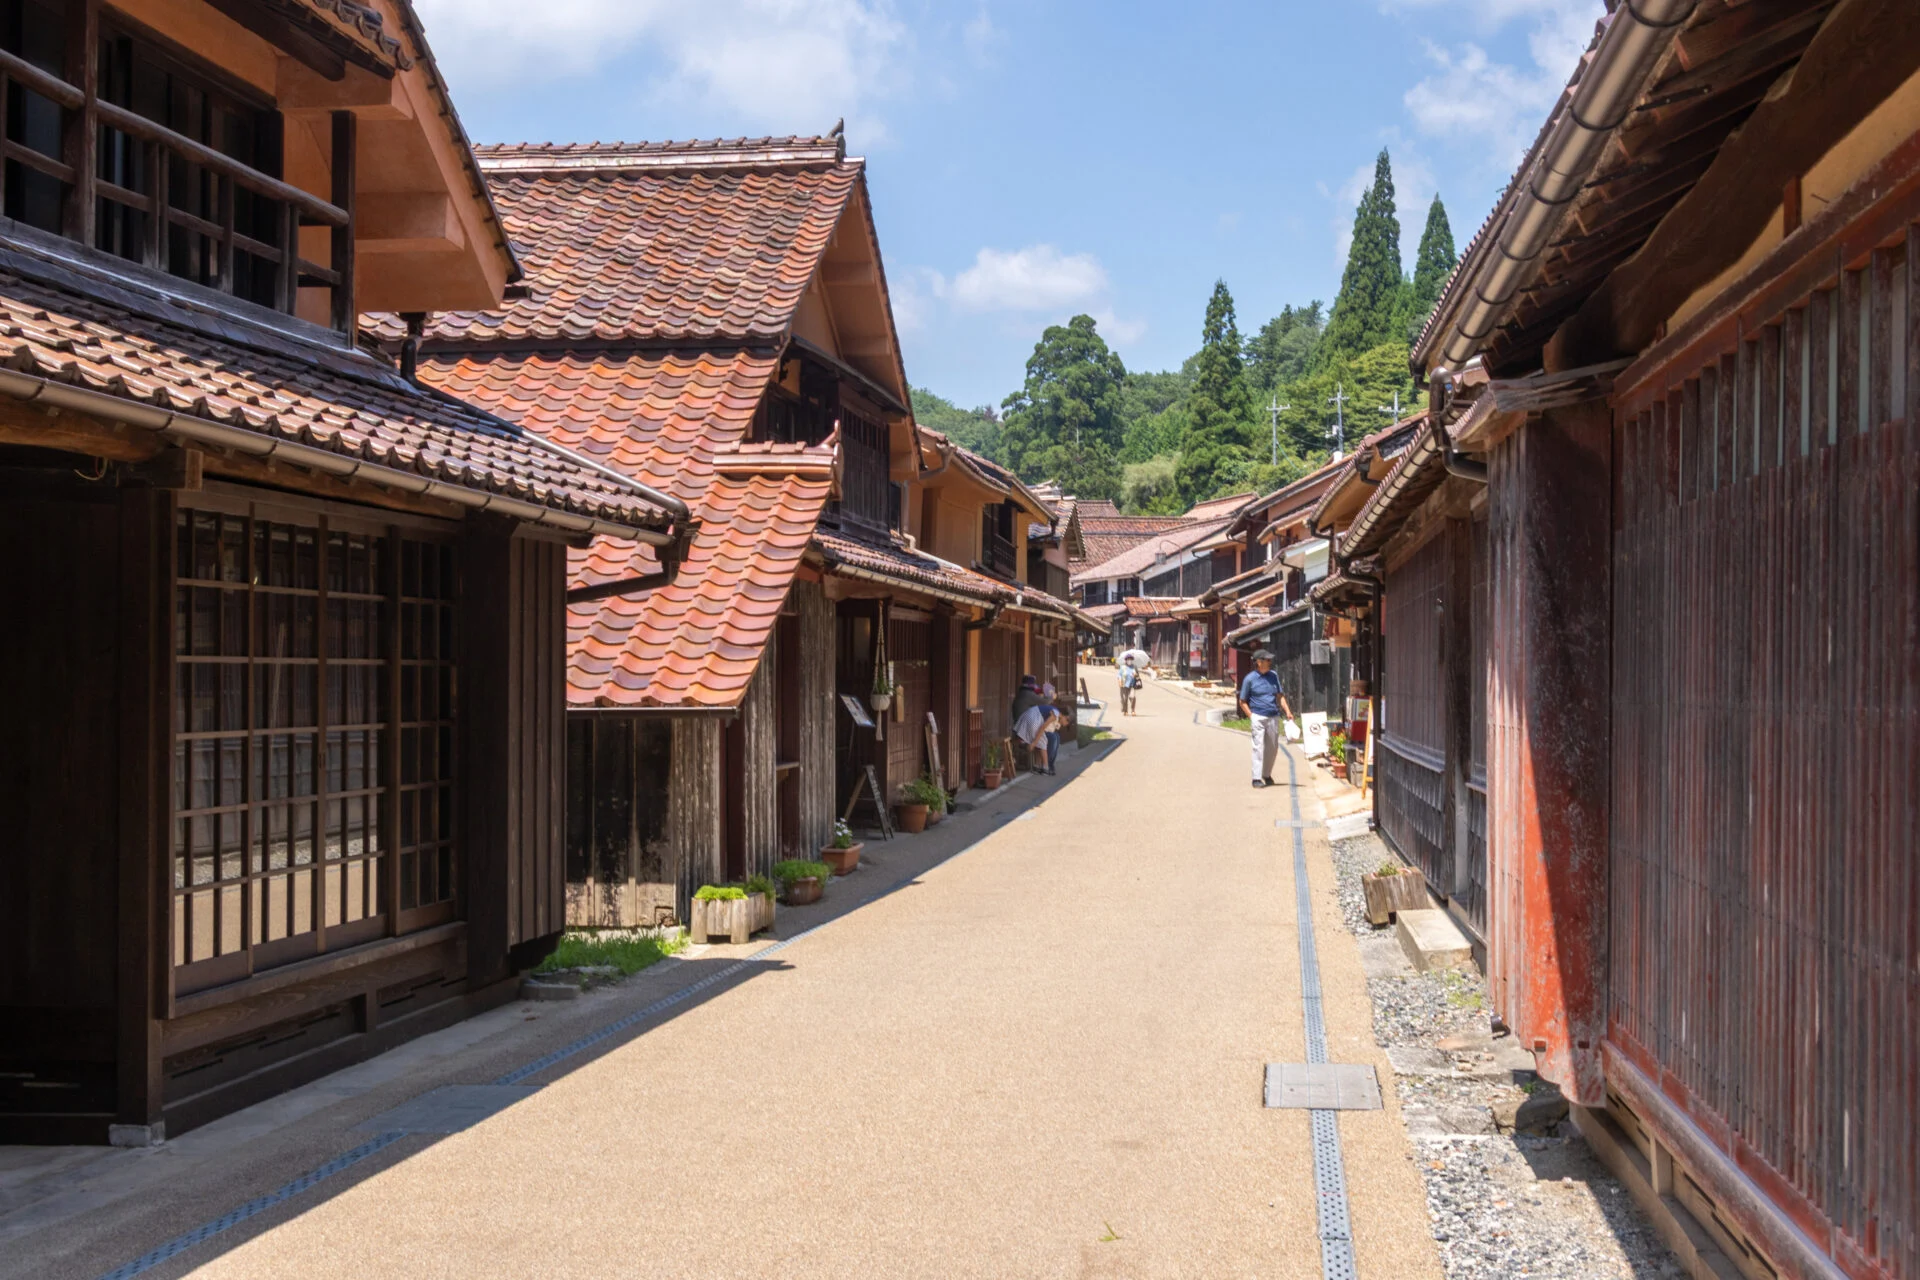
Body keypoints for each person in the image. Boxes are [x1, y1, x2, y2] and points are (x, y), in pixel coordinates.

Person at [1237, 648, 1296, 788]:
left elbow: (1279, 696)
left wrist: (1287, 711)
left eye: (1270, 660)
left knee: (1273, 747)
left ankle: (1266, 774)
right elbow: (1242, 701)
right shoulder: (1249, 679)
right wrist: (1251, 716)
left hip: (1273, 716)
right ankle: (1256, 778)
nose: (1270, 662)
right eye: (1267, 660)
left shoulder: (1273, 676)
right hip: (1257, 716)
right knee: (1258, 747)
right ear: (1259, 662)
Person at [1013, 700, 1059, 775]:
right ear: (1066, 717)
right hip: (1033, 719)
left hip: (1029, 715)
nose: (1065, 724)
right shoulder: (1056, 713)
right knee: (1043, 741)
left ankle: (1037, 766)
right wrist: (1033, 744)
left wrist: (1035, 743)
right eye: (1067, 722)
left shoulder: (1052, 709)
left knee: (1039, 742)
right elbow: (1043, 727)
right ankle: (1045, 767)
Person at [1040, 682, 1063, 774]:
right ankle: (1047, 764)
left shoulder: (1051, 706)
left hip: (1048, 729)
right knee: (1053, 738)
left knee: (1057, 737)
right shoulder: (1043, 704)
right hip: (1040, 729)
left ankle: (1051, 763)